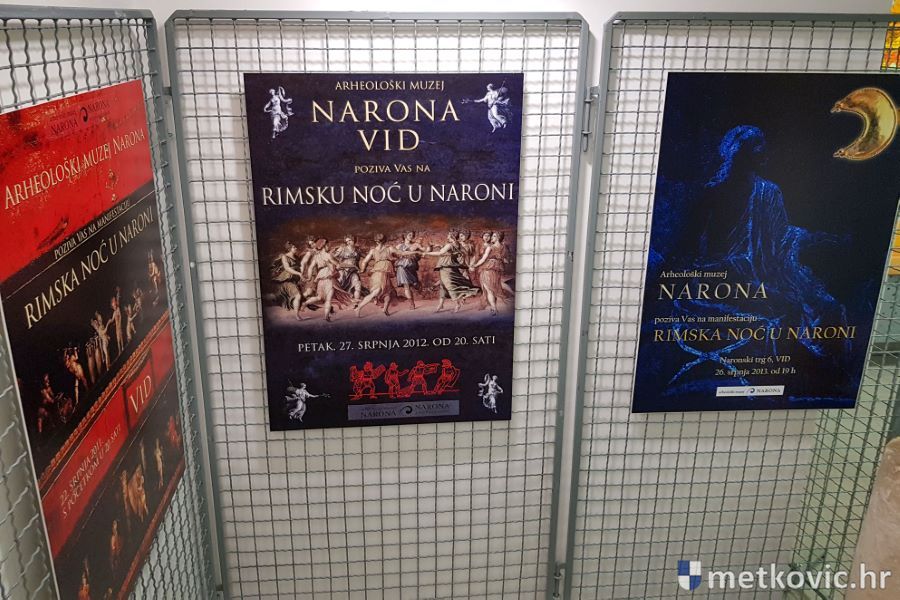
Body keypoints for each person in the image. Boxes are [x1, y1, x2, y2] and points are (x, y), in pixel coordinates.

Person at [425, 230, 481, 313]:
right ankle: (441, 304)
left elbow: (470, 256)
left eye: (463, 236)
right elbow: (446, 250)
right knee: (444, 285)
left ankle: (459, 301)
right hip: (448, 266)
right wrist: (438, 246)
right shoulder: (455, 244)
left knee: (452, 285)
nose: (461, 237)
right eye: (460, 236)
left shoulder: (461, 245)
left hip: (455, 266)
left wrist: (470, 265)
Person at [303, 239, 352, 321]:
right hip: (329, 277)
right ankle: (326, 316)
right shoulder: (328, 255)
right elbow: (338, 265)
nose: (329, 246)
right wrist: (340, 266)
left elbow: (310, 268)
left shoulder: (316, 257)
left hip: (320, 278)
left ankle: (305, 303)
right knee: (328, 299)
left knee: (319, 297)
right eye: (327, 245)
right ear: (324, 246)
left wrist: (309, 277)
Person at [356, 234, 400, 317]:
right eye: (377, 241)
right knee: (376, 292)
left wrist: (362, 269)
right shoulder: (382, 249)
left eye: (379, 241)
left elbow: (365, 262)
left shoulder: (385, 249)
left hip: (385, 274)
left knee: (387, 292)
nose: (378, 242)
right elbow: (365, 261)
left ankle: (385, 309)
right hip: (378, 273)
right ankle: (359, 307)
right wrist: (362, 270)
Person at [471, 231, 510, 316]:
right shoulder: (503, 247)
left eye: (493, 236)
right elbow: (506, 261)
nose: (491, 238)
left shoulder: (490, 247)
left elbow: (483, 259)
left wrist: (475, 265)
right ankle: (493, 307)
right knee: (493, 288)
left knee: (489, 290)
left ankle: (494, 309)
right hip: (497, 269)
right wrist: (500, 259)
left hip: (487, 268)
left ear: (498, 237)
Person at [271, 241, 307, 320]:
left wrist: (302, 275)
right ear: (289, 249)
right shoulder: (285, 257)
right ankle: (297, 316)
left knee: (302, 296)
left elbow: (301, 267)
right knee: (298, 296)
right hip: (288, 279)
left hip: (295, 280)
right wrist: (299, 274)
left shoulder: (296, 257)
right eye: (294, 247)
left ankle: (297, 313)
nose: (296, 248)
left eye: (295, 247)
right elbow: (287, 268)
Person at [394, 231, 426, 310]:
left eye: (413, 235)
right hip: (401, 267)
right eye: (409, 235)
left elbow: (424, 250)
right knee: (406, 286)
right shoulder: (399, 246)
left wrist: (429, 247)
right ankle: (411, 303)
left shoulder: (416, 244)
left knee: (415, 284)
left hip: (411, 267)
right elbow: (393, 254)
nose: (411, 236)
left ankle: (417, 285)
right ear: (405, 235)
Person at [333, 235, 364, 306]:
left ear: (354, 240)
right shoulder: (342, 248)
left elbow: (366, 257)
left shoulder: (357, 250)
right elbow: (333, 257)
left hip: (353, 270)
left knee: (357, 283)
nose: (348, 242)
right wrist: (339, 263)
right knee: (340, 283)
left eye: (350, 240)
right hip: (343, 270)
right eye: (347, 241)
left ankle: (356, 302)